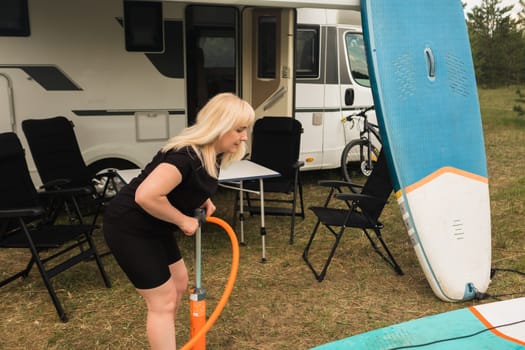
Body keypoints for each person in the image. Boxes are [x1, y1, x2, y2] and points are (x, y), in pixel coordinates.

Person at [103, 92, 255, 349]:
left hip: (155, 224)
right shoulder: (185, 157)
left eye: (246, 129)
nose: (245, 137)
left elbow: (185, 187)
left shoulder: (210, 154)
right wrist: (183, 221)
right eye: (239, 129)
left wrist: (200, 199)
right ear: (219, 125)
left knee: (179, 283)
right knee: (162, 301)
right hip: (129, 227)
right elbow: (146, 196)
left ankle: (166, 338)